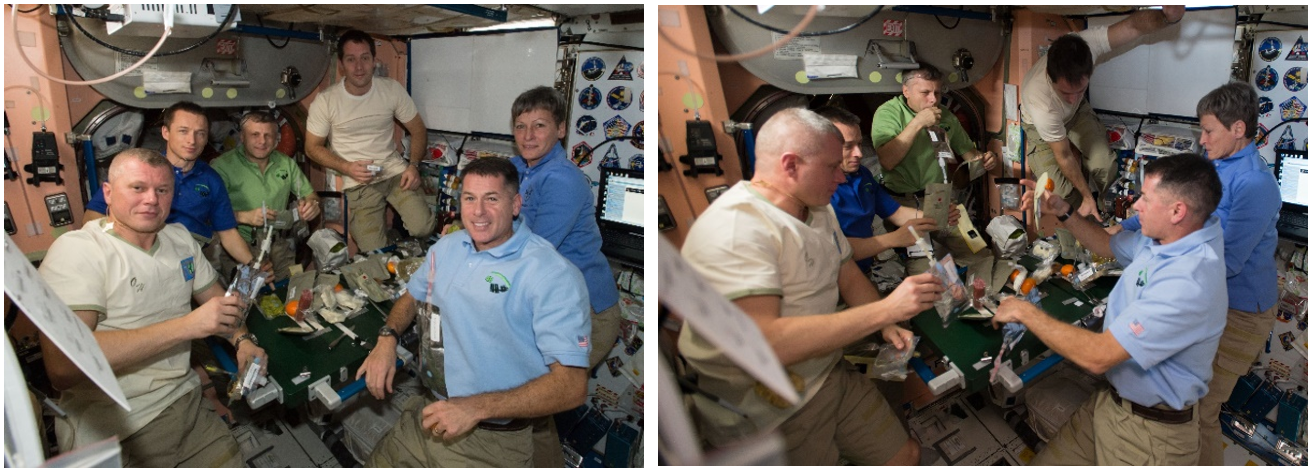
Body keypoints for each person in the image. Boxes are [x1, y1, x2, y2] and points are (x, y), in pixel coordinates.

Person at [677, 108, 943, 465]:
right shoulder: (737, 229)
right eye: (832, 167)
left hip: (827, 374)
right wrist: (888, 308)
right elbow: (765, 344)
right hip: (772, 410)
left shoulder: (816, 209)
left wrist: (886, 324)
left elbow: (845, 271)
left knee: (904, 455)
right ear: (790, 165)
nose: (841, 176)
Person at [355, 157, 591, 467]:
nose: (478, 211)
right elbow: (413, 295)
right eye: (469, 198)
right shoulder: (447, 248)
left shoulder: (550, 274)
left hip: (489, 441)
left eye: (491, 198)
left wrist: (474, 408)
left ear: (516, 204)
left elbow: (571, 386)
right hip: (427, 416)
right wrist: (387, 338)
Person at [39, 148, 268, 467]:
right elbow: (63, 366)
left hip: (186, 406)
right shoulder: (77, 251)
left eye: (162, 190)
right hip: (115, 425)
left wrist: (243, 341)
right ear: (107, 192)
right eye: (137, 188)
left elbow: (219, 304)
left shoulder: (180, 240)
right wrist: (189, 326)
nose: (151, 200)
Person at [996, 153, 1226, 465]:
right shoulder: (1170, 237)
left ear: (1177, 211)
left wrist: (1025, 311)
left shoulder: (1188, 280)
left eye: (1145, 198)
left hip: (1150, 437)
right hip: (1110, 403)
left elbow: (1098, 356)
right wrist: (1063, 211)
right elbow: (1105, 244)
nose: (1135, 206)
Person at [1111, 82, 1280, 465]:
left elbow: (1227, 261)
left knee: (1200, 410)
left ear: (1238, 129)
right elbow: (1176, 202)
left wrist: (1158, 275)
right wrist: (1126, 227)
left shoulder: (1255, 183)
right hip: (1208, 302)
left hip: (1241, 312)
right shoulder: (1214, 165)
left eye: (1208, 131)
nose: (1201, 140)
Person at [507, 86, 624, 467]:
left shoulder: (561, 180)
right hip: (557, 304)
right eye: (521, 126)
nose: (528, 135)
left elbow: (530, 253)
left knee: (533, 403)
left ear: (560, 129)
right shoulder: (523, 168)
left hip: (588, 314)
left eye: (539, 125)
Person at [1020, 6, 1185, 221]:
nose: (1071, 98)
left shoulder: (1086, 46)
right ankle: (1086, 224)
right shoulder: (1040, 98)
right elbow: (1064, 155)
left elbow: (1133, 25)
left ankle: (1105, 211)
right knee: (1061, 194)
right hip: (1040, 129)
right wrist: (1086, 197)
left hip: (1077, 114)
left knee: (1104, 166)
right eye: (1065, 92)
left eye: (1079, 90)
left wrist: (1167, 18)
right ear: (1051, 78)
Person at [84, 101, 257, 275]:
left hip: (190, 259)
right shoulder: (138, 168)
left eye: (200, 133)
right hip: (139, 257)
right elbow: (93, 216)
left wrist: (254, 265)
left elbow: (227, 232)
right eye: (183, 131)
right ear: (165, 132)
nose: (192, 141)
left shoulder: (211, 180)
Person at [306, 29, 436, 252]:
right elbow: (311, 148)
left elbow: (418, 130)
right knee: (373, 253)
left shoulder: (391, 89)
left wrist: (414, 166)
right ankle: (390, 242)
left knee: (424, 227)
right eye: (351, 59)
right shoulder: (326, 101)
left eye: (365, 58)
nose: (359, 67)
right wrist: (347, 167)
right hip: (358, 181)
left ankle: (397, 238)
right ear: (341, 64)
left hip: (394, 172)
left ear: (374, 61)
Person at [870, 65, 997, 276]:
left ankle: (981, 300)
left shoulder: (945, 116)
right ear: (906, 91)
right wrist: (918, 123)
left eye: (937, 93)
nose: (933, 100)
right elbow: (887, 160)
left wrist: (985, 160)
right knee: (924, 270)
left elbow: (970, 155)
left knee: (979, 253)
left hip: (940, 198)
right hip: (904, 202)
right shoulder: (888, 113)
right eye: (925, 93)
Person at [815, 105, 945, 275]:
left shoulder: (862, 175)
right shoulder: (814, 191)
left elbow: (896, 212)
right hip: (831, 277)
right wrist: (893, 239)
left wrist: (938, 215)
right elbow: (834, 249)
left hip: (862, 271)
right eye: (848, 146)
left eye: (860, 144)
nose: (859, 153)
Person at [212, 111, 321, 281]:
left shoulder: (286, 163)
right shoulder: (222, 166)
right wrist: (243, 216)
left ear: (277, 138)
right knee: (246, 303)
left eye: (268, 135)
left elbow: (311, 195)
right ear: (242, 137)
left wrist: (311, 205)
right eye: (255, 134)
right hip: (242, 246)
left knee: (290, 294)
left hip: (281, 247)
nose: (262, 141)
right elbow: (209, 214)